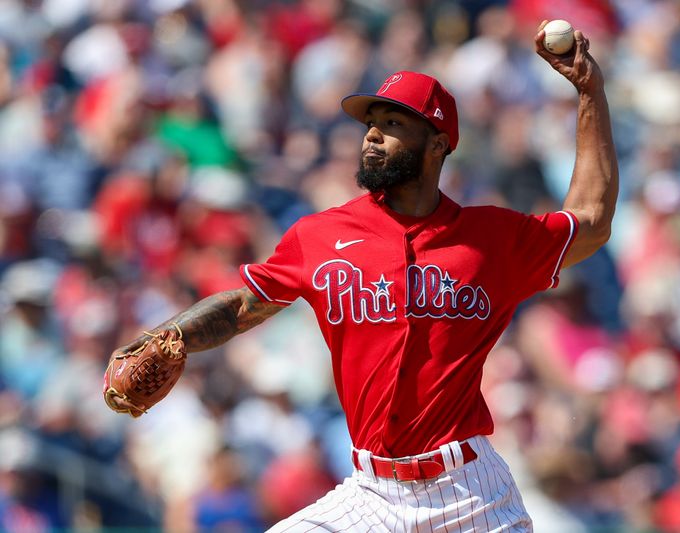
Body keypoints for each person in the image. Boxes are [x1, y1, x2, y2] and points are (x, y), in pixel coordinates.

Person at [105, 21, 618, 532]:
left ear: (438, 144)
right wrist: (169, 336)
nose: (372, 132)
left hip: (472, 494)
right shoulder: (321, 234)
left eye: (394, 123)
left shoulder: (491, 238)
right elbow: (243, 306)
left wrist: (590, 92)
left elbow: (591, 220)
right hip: (371, 493)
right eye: (371, 121)